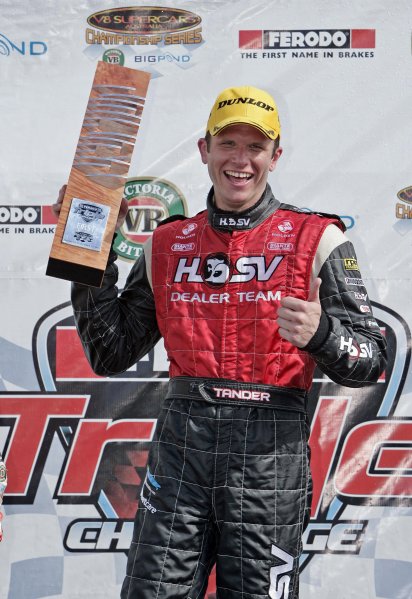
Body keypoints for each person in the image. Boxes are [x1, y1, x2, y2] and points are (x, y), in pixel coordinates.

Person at [55, 85, 387, 598]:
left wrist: (321, 334)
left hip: (269, 459)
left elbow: (372, 360)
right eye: (227, 143)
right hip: (180, 453)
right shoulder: (166, 242)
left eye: (254, 147)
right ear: (203, 150)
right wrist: (86, 250)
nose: (240, 159)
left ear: (275, 157)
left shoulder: (317, 238)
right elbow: (109, 351)